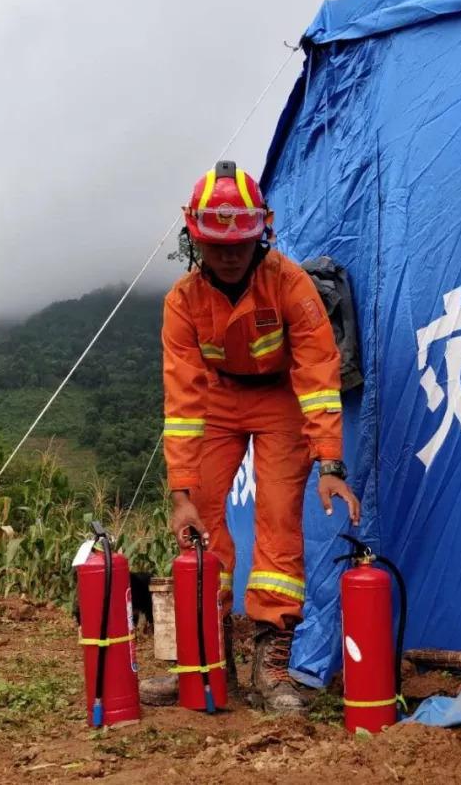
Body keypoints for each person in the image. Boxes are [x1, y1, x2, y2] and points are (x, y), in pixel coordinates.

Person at [155, 160, 361, 713]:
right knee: (200, 524)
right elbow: (182, 403)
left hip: (280, 401)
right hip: (216, 402)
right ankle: (203, 663)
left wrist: (331, 465)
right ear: (194, 238)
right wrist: (180, 494)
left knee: (277, 520)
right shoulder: (182, 301)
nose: (227, 254)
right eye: (215, 244)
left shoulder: (292, 285)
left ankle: (272, 668)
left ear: (261, 232)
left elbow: (318, 378)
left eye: (239, 243)